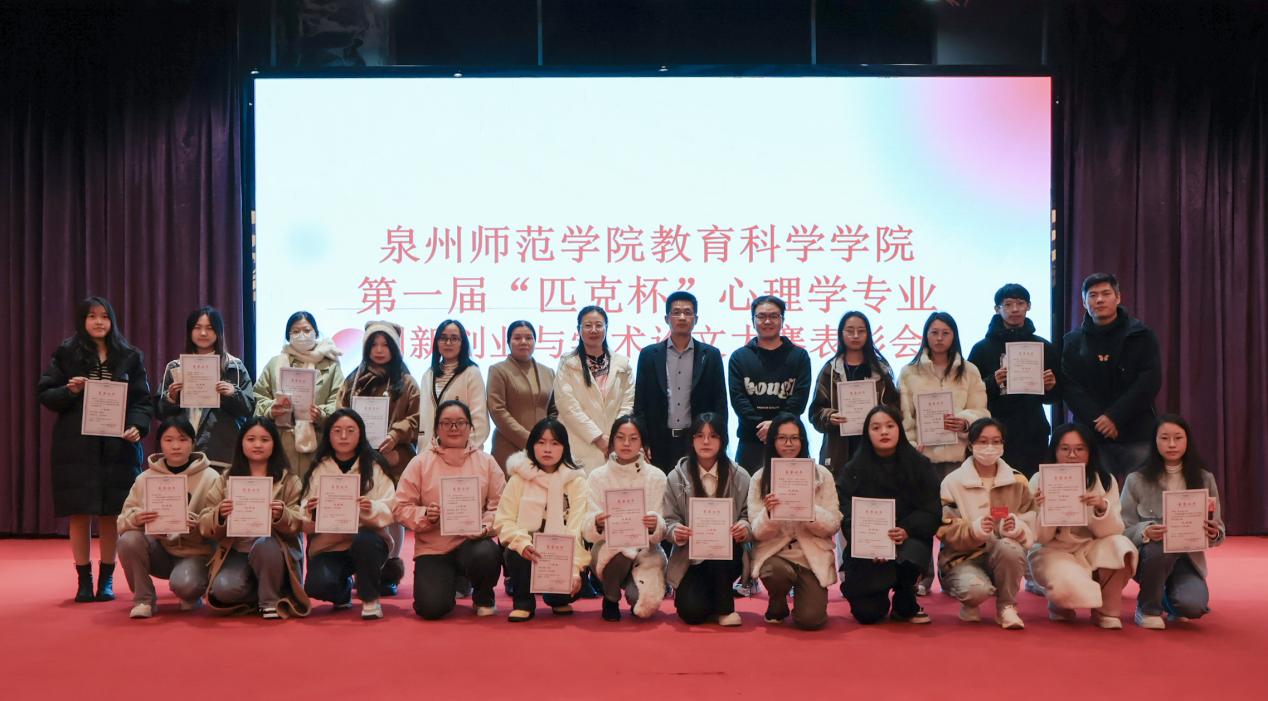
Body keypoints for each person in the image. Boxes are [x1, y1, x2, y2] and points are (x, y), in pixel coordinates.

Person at [37, 296, 154, 603]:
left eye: (104, 316)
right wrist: (69, 390)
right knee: (79, 512)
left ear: (112, 320)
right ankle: (83, 580)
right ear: (82, 321)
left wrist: (137, 426)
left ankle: (106, 580)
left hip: (118, 447)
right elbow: (46, 394)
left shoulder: (129, 355)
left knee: (111, 513)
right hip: (76, 446)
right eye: (92, 316)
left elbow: (143, 401)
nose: (99, 322)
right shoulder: (66, 353)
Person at [899, 311, 989, 595]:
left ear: (954, 336)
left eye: (945, 333)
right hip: (922, 460)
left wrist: (964, 422)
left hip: (958, 459)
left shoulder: (969, 371)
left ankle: (953, 571)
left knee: (956, 519)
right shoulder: (909, 372)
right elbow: (905, 418)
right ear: (926, 335)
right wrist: (912, 447)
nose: (939, 338)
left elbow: (982, 412)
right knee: (923, 518)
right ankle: (922, 576)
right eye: (934, 332)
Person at [393, 400, 506, 620]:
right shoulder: (420, 463)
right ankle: (453, 580)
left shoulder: (487, 462)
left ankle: (483, 597)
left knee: (486, 553)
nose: (454, 428)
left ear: (470, 427)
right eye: (446, 423)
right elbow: (400, 507)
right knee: (430, 609)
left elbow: (501, 507)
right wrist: (426, 515)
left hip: (472, 543)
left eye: (460, 423)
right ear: (437, 428)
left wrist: (484, 527)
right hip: (434, 547)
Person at [336, 320, 420, 595]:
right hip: (359, 459)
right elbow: (340, 413)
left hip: (395, 459)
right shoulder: (353, 381)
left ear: (395, 348)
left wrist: (396, 434)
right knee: (361, 511)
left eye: (386, 345)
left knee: (393, 513)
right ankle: (362, 568)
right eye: (374, 344)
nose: (380, 350)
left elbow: (418, 418)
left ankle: (389, 571)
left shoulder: (406, 382)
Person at [836, 406, 939, 625]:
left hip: (906, 540)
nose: (884, 432)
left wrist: (907, 529)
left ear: (899, 429)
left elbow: (931, 511)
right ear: (867, 433)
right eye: (876, 427)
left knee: (912, 553)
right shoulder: (853, 469)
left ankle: (905, 595)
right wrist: (868, 542)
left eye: (890, 426)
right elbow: (845, 512)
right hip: (867, 547)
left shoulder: (920, 465)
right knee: (868, 614)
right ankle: (876, 592)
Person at [1121, 415, 1225, 630]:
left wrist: (1214, 533)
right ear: (1154, 441)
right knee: (1160, 545)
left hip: (1187, 559)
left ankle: (1168, 598)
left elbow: (1218, 527)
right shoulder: (1136, 480)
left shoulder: (1204, 478)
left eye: (1178, 438)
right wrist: (1146, 531)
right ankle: (1147, 609)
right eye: (1164, 438)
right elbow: (1122, 527)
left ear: (1187, 441)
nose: (1171, 444)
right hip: (1149, 559)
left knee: (1192, 607)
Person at [1028, 423, 1136, 629]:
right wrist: (1046, 510)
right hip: (1053, 551)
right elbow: (1040, 538)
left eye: (1079, 449)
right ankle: (1061, 602)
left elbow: (1115, 532)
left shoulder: (1105, 480)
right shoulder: (1039, 480)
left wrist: (1101, 507)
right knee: (1068, 589)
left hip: (1091, 547)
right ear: (1055, 451)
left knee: (1122, 547)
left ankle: (1107, 611)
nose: (1072, 455)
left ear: (1090, 452)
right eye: (1065, 449)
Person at [200, 417, 310, 618]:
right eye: (251, 439)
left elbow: (301, 520)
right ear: (241, 443)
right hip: (237, 550)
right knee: (223, 590)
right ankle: (264, 592)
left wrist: (282, 515)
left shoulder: (289, 480)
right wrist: (220, 515)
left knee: (264, 545)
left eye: (264, 440)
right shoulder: (226, 478)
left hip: (274, 551)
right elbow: (204, 524)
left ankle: (270, 601)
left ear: (274, 444)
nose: (257, 445)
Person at [936, 418, 1036, 630]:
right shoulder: (952, 482)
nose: (990, 447)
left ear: (1003, 445)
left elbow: (1031, 519)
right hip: (962, 558)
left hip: (1002, 553)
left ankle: (1007, 606)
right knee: (976, 591)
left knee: (1010, 547)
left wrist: (1018, 527)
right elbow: (945, 529)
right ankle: (970, 602)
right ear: (971, 444)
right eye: (983, 441)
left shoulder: (1018, 481)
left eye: (996, 441)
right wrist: (974, 530)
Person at [1062, 272, 1162, 484]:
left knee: (1141, 495)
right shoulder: (1072, 341)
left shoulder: (1141, 335)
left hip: (1137, 432)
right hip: (1092, 435)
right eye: (1092, 295)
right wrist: (1099, 421)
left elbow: (1149, 381)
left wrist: (1114, 417)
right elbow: (1070, 387)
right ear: (1084, 302)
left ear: (1118, 297)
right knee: (1096, 495)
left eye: (1106, 294)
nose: (1099, 300)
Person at [116, 418, 218, 618]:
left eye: (183, 439)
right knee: (128, 540)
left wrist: (199, 524)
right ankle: (144, 599)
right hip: (159, 551)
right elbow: (121, 522)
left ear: (193, 443)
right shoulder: (144, 478)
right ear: (160, 444)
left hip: (195, 553)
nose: (176, 446)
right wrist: (137, 519)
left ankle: (191, 594)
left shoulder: (211, 477)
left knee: (187, 585)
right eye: (169, 440)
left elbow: (219, 525)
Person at [747, 413, 841, 630]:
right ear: (772, 441)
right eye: (782, 438)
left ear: (803, 441)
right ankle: (777, 600)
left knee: (811, 620)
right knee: (774, 572)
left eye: (794, 438)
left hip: (811, 556)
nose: (788, 444)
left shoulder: (822, 475)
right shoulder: (760, 478)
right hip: (776, 554)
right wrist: (769, 514)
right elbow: (756, 532)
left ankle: (804, 596)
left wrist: (809, 509)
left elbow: (833, 524)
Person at [299, 409, 395, 620]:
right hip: (330, 545)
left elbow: (391, 506)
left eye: (350, 431)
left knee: (365, 541)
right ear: (329, 435)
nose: (343, 436)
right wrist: (311, 510)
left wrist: (371, 508)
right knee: (317, 586)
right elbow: (303, 510)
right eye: (337, 431)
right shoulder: (319, 467)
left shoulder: (375, 465)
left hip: (368, 541)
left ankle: (370, 599)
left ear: (360, 434)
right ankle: (343, 590)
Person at [494, 418, 590, 621]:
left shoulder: (576, 481)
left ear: (564, 447)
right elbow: (504, 520)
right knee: (514, 551)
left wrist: (574, 569)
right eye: (541, 442)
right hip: (529, 552)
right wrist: (522, 543)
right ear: (532, 445)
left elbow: (577, 527)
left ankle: (558, 599)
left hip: (562, 555)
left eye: (555, 443)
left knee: (564, 594)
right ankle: (523, 603)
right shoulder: (519, 478)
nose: (547, 449)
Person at [662, 412, 750, 626]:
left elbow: (749, 515)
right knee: (691, 613)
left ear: (723, 440)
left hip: (728, 557)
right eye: (700, 436)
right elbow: (668, 520)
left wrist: (744, 527)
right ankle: (710, 597)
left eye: (713, 436)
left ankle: (725, 608)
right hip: (691, 557)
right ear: (692, 440)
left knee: (722, 549)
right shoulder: (675, 477)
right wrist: (676, 531)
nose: (706, 441)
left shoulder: (740, 476)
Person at [581, 416, 667, 621]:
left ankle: (631, 586)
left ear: (642, 443)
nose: (626, 443)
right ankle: (610, 598)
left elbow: (663, 526)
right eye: (620, 437)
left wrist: (655, 524)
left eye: (633, 438)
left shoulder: (657, 477)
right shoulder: (597, 476)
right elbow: (586, 525)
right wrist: (597, 522)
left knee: (642, 606)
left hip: (646, 551)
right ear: (612, 441)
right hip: (609, 548)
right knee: (618, 553)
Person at [967, 284, 1059, 477]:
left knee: (1032, 486)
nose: (1015, 309)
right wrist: (992, 382)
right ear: (997, 309)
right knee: (996, 484)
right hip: (994, 432)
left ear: (1029, 306)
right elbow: (969, 392)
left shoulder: (1043, 346)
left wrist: (1051, 387)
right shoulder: (981, 349)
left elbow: (1054, 398)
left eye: (1020, 303)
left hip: (1033, 431)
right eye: (1008, 304)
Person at [633, 291, 727, 473]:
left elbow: (720, 403)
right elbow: (640, 404)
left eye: (688, 312)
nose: (682, 317)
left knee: (696, 488)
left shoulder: (711, 355)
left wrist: (720, 440)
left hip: (697, 440)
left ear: (696, 319)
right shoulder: (649, 355)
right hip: (658, 442)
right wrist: (642, 441)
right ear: (667, 318)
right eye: (676, 312)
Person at [156, 306, 255, 471]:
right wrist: (171, 398)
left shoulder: (234, 366)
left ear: (219, 332)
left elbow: (248, 410)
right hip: (182, 453)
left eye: (209, 328)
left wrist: (233, 393)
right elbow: (160, 413)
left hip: (221, 452)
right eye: (197, 327)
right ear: (189, 331)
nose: (203, 333)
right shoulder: (175, 367)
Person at [253, 311, 345, 477]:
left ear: (316, 333)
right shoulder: (275, 363)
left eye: (307, 330)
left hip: (318, 442)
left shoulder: (331, 366)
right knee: (284, 488)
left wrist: (322, 413)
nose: (302, 335)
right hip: (280, 442)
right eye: (295, 331)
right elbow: (258, 397)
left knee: (314, 488)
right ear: (288, 336)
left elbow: (339, 402)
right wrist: (271, 409)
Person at [728, 296, 812, 473]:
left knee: (794, 490)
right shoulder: (739, 357)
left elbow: (799, 399)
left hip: (790, 442)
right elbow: (739, 400)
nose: (767, 321)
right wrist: (763, 427)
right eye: (761, 316)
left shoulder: (799, 356)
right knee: (748, 490)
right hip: (751, 440)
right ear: (753, 320)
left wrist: (775, 427)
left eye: (774, 316)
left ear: (782, 320)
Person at [809, 310, 900, 474]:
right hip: (838, 451)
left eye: (861, 331)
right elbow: (815, 413)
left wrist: (881, 416)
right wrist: (830, 417)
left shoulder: (881, 370)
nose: (856, 335)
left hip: (876, 450)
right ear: (841, 334)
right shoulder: (830, 370)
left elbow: (896, 409)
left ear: (868, 334)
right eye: (850, 331)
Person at [554, 306, 635, 473]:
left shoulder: (622, 364)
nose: (593, 330)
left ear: (606, 328)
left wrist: (614, 436)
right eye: (587, 325)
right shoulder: (568, 363)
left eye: (598, 325)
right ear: (579, 329)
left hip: (616, 444)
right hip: (579, 443)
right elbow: (567, 406)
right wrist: (598, 437)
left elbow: (628, 403)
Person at [487, 320, 556, 471]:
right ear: (508, 342)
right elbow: (497, 410)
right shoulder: (498, 370)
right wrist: (529, 439)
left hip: (544, 448)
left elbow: (554, 410)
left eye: (529, 338)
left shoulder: (548, 372)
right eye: (517, 338)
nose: (523, 342)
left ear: (535, 341)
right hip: (508, 447)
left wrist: (547, 437)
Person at [418, 319, 489, 450]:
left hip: (464, 452)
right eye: (443, 338)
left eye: (454, 338)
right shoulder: (428, 375)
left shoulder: (472, 373)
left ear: (463, 343)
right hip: (430, 452)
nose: (448, 343)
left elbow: (480, 422)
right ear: (436, 343)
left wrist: (462, 449)